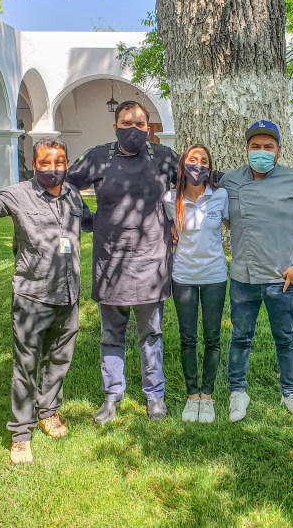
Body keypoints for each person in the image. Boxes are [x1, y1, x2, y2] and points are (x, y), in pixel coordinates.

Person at [0, 138, 93, 465]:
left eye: (59, 162)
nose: (53, 168)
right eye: (45, 162)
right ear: (34, 164)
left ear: (66, 163)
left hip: (68, 293)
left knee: (59, 358)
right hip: (32, 296)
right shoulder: (19, 194)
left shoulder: (73, 194)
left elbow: (94, 223)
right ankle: (21, 433)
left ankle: (48, 411)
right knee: (26, 365)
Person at [66, 101, 179, 423]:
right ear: (115, 126)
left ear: (148, 128)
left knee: (151, 334)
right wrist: (87, 219)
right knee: (111, 335)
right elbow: (67, 185)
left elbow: (190, 185)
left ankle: (155, 396)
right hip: (111, 261)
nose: (133, 129)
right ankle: (112, 395)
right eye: (126, 123)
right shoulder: (99, 157)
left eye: (140, 124)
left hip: (151, 260)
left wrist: (176, 221)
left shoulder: (163, 157)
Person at [221, 120, 293, 426]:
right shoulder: (230, 180)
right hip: (244, 275)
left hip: (283, 277)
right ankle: (238, 391)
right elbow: (219, 214)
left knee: (285, 338)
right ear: (246, 149)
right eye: (255, 146)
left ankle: (290, 394)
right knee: (240, 336)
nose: (261, 152)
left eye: (268, 147)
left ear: (278, 150)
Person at [162, 144, 229, 423]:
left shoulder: (220, 195)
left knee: (212, 338)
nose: (198, 165)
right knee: (188, 338)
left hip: (214, 275)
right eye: (193, 159)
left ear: (209, 167)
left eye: (203, 161)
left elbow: (233, 223)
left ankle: (207, 395)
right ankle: (192, 395)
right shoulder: (170, 198)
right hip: (184, 276)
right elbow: (166, 226)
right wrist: (170, 228)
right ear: (183, 165)